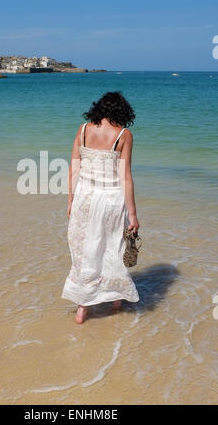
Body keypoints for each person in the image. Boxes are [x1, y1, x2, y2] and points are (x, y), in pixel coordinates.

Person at [61, 91, 140, 324]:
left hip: (84, 198)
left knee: (85, 251)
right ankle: (116, 301)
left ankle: (82, 308)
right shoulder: (124, 135)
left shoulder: (83, 130)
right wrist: (133, 215)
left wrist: (70, 200)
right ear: (122, 112)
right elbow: (126, 177)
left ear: (99, 109)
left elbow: (74, 168)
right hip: (112, 201)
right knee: (112, 249)